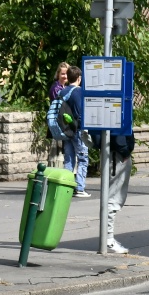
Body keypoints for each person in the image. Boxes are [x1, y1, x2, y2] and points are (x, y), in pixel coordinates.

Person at [93, 131, 134, 254]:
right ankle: (108, 240)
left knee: (112, 196)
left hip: (113, 153)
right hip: (117, 154)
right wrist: (124, 150)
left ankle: (108, 239)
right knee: (113, 197)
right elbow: (117, 131)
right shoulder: (115, 111)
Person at [60, 65, 90, 198]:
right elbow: (80, 113)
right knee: (83, 158)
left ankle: (66, 187)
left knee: (69, 159)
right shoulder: (79, 92)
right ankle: (79, 188)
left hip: (66, 130)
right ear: (78, 78)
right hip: (77, 130)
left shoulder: (63, 91)